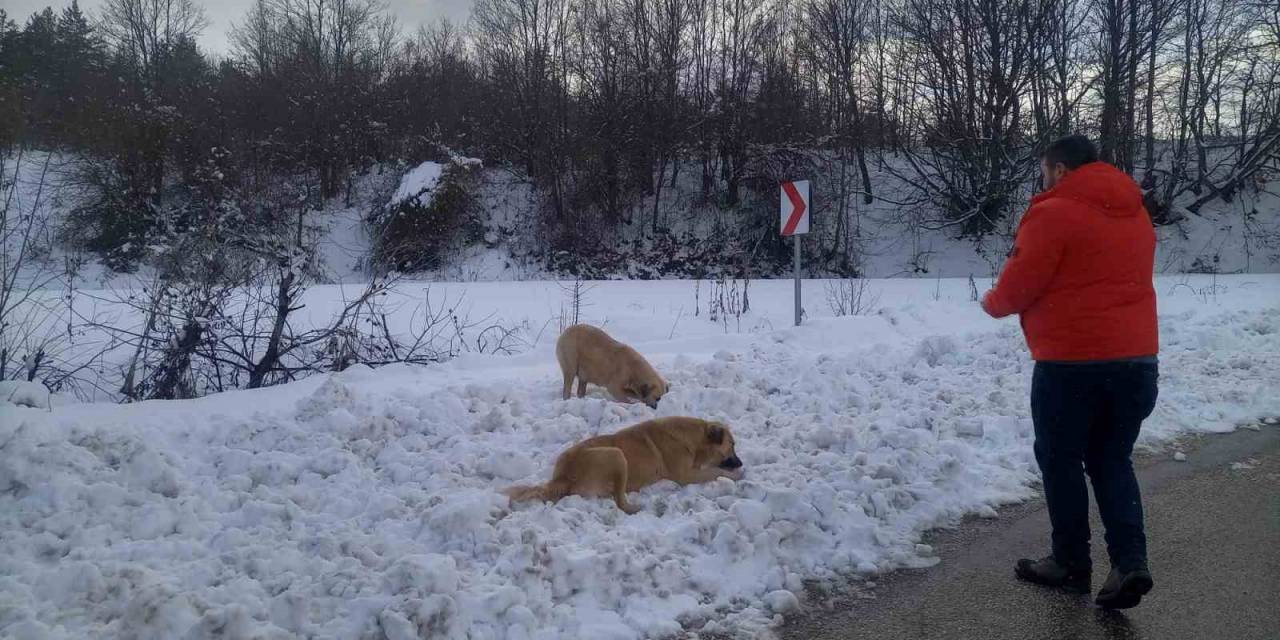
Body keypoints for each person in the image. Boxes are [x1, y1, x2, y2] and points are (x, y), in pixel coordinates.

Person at [981, 134, 1159, 610]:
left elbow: (1019, 285)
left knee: (1060, 459)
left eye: (1045, 170)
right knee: (1112, 459)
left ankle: (1070, 562)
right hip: (1137, 360)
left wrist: (991, 302)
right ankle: (1130, 561)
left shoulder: (1054, 212)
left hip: (1072, 363)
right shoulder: (1136, 213)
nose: (1044, 179)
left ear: (1059, 169)